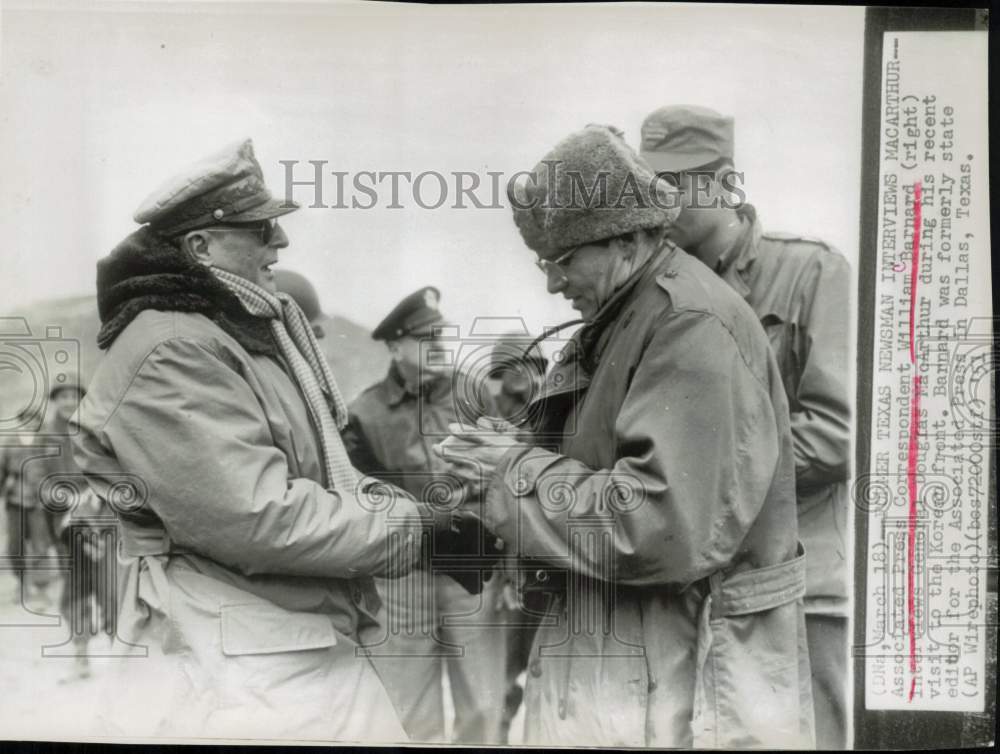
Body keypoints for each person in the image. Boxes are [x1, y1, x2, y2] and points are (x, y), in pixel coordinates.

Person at [70, 139, 489, 741]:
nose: (280, 242)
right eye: (261, 227)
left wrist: (427, 520)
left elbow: (320, 477)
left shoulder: (232, 339)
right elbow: (259, 514)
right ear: (200, 246)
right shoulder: (173, 349)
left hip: (281, 639)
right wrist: (419, 534)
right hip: (243, 660)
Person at [441, 125, 814, 747]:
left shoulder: (688, 325)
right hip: (630, 660)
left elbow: (658, 526)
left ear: (626, 238)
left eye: (562, 262)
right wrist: (509, 456)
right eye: (544, 262)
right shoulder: (628, 315)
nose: (552, 284)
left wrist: (513, 472)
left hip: (677, 674)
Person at [640, 105, 851, 749]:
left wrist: (700, 479)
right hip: (686, 592)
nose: (661, 203)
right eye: (652, 187)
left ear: (724, 183)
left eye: (676, 185)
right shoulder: (658, 293)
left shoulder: (813, 273)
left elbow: (835, 434)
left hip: (796, 583)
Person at [342, 287, 508, 744]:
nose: (437, 345)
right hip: (403, 577)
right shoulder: (363, 413)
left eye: (440, 335)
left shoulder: (475, 396)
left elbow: (505, 475)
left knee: (483, 702)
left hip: (472, 571)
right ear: (395, 347)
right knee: (410, 708)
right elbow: (361, 498)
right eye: (423, 337)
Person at [36, 377, 113, 682]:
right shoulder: (46, 436)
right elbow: (39, 477)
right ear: (55, 401)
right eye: (63, 396)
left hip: (101, 519)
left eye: (74, 396)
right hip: (66, 524)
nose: (69, 401)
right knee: (76, 590)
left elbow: (110, 466)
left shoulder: (94, 427)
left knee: (111, 587)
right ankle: (81, 654)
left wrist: (98, 491)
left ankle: (121, 651)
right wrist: (64, 497)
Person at [0, 407, 55, 608]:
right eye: (27, 419)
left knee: (40, 545)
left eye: (35, 419)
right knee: (15, 546)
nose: (31, 423)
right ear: (20, 420)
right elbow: (1, 470)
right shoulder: (10, 443)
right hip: (14, 502)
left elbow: (54, 468)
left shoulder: (46, 442)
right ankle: (22, 584)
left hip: (39, 502)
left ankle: (41, 589)